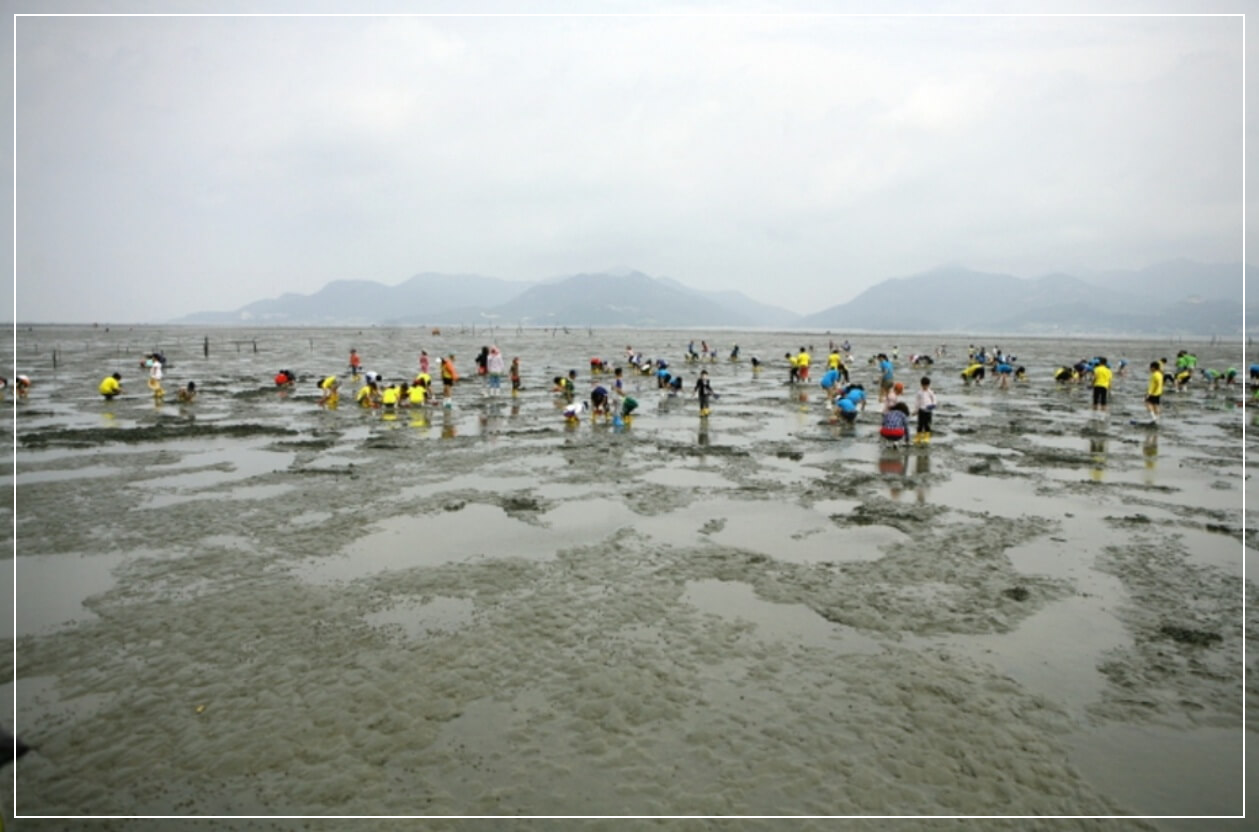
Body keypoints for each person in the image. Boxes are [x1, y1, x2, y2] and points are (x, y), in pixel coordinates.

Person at [914, 376, 936, 444]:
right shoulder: (919, 392)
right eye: (924, 385)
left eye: (926, 385)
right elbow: (917, 402)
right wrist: (916, 410)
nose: (925, 387)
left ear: (929, 385)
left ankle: (927, 437)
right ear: (921, 385)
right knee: (920, 424)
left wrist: (933, 405)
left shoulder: (931, 392)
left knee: (927, 425)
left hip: (928, 411)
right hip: (921, 411)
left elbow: (934, 399)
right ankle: (918, 437)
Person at [1145, 360, 1163, 425]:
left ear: (1153, 368)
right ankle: (1157, 419)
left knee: (1147, 403)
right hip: (1159, 392)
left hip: (1153, 393)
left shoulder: (1154, 375)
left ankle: (1153, 418)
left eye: (1150, 367)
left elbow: (1153, 385)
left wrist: (1149, 393)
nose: (1149, 369)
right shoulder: (1160, 374)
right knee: (1156, 405)